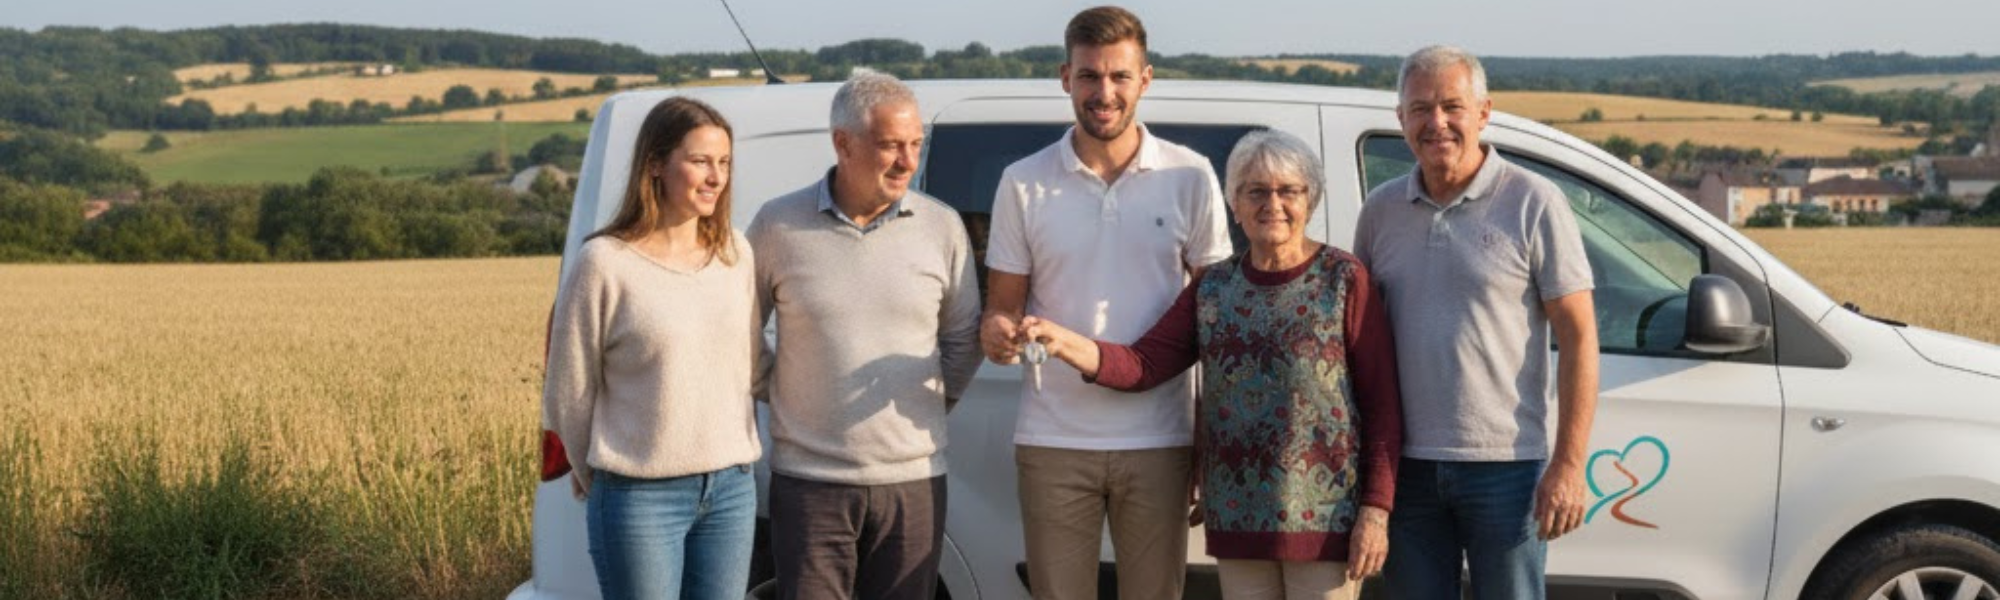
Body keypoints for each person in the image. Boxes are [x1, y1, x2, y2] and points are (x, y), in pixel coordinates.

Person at [1021, 130, 1403, 600]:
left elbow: (1382, 405)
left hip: (1326, 524)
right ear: (1234, 204)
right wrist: (1063, 341)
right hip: (1238, 518)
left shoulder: (1343, 279)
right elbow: (1143, 364)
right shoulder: (1215, 287)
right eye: (1255, 191)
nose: (1273, 204)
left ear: (1311, 199)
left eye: (1289, 191)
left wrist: (1376, 510)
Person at [979, 6, 1234, 599]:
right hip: (1054, 441)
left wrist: (1209, 441)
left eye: (1120, 76)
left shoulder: (1191, 177)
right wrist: (998, 333)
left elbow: (1218, 324)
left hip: (1161, 438)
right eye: (1090, 76)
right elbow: (1002, 307)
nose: (1105, 92)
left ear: (1146, 79)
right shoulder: (1023, 181)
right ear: (1065, 78)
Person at [1354, 45, 1600, 600]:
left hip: (1508, 470)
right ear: (1400, 119)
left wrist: (1568, 463)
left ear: (1484, 112)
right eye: (1419, 109)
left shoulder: (1535, 202)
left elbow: (1580, 336)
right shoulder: (1380, 212)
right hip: (1408, 469)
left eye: (1451, 107)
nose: (1435, 123)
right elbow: (1361, 345)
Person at [747, 72, 981, 600]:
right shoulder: (777, 225)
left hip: (913, 481)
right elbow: (738, 328)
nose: (908, 161)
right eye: (891, 145)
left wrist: (932, 406)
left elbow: (965, 337)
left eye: (916, 144)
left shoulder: (941, 227)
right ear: (843, 143)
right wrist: (783, 392)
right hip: (809, 481)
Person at [542, 96, 762, 600]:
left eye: (724, 162)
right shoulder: (604, 262)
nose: (716, 177)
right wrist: (591, 470)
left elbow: (751, 363)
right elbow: (568, 390)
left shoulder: (735, 253)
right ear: (656, 164)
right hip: (639, 495)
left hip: (731, 489)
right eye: (700, 160)